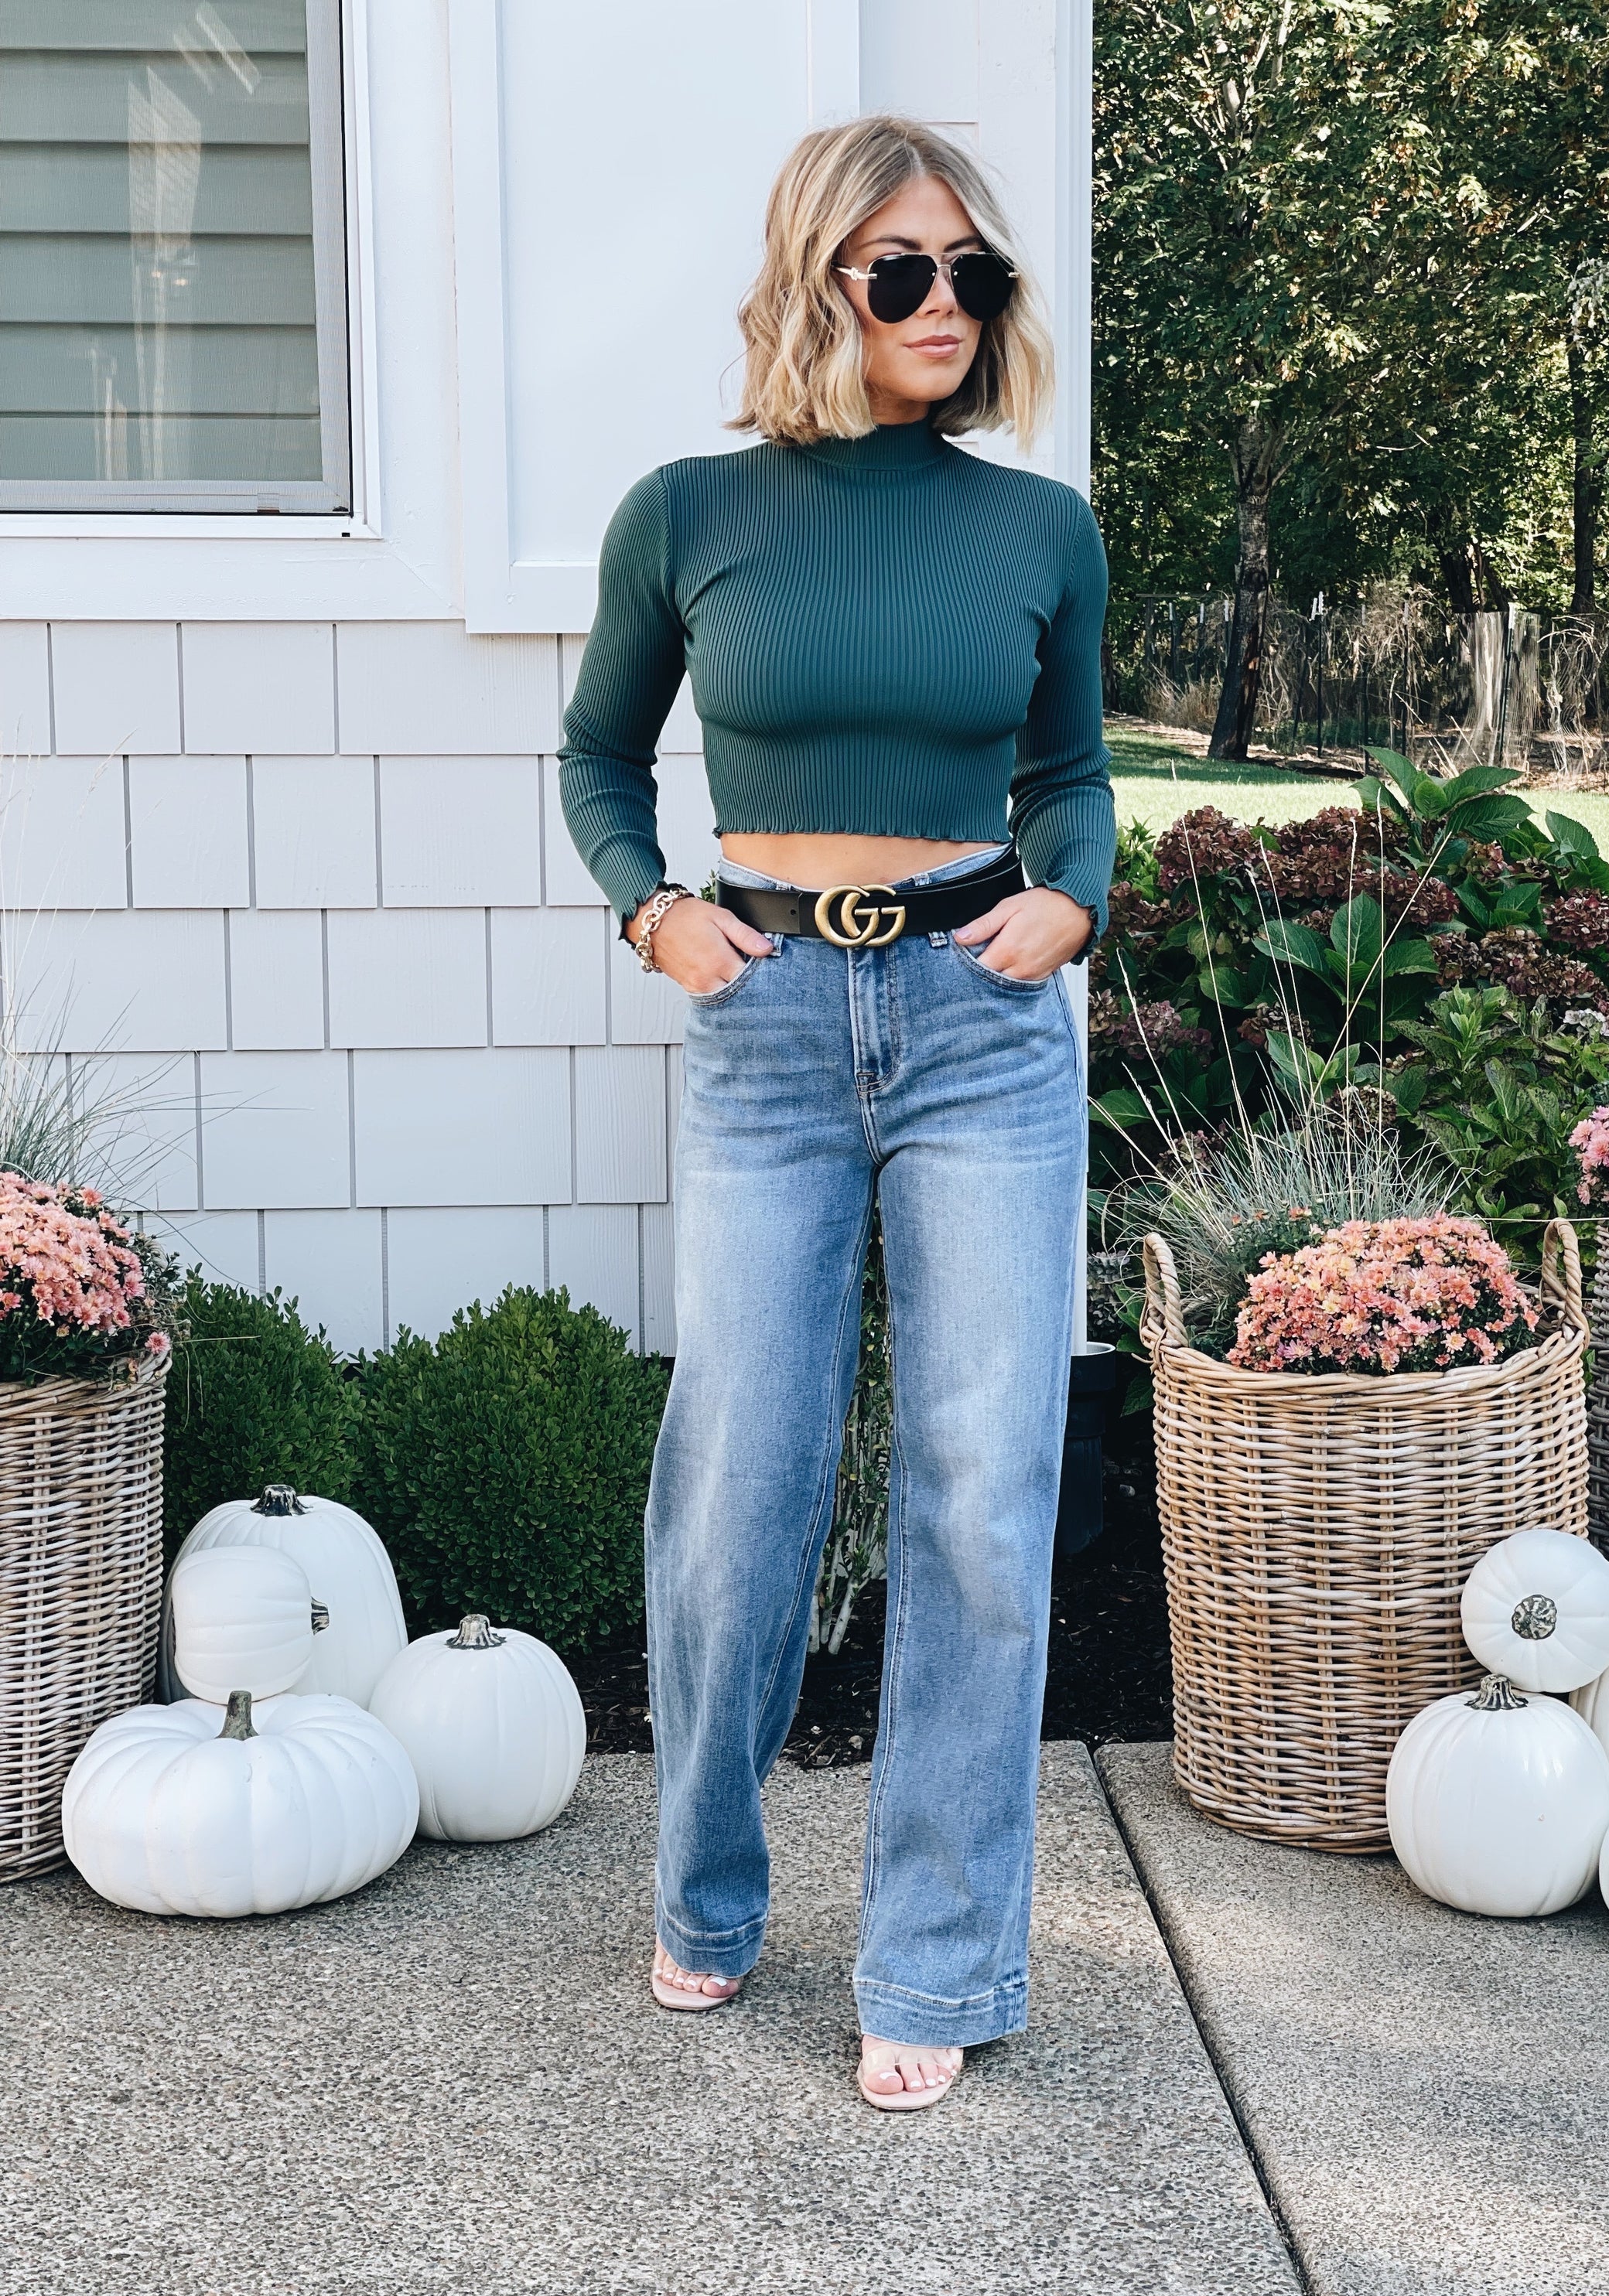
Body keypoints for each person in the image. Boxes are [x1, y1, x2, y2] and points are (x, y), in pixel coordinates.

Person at [559, 114, 1113, 2113]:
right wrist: (654, 914)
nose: (946, 303)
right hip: (771, 1020)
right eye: (904, 270)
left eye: (976, 271)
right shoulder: (687, 513)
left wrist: (1074, 894)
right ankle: (707, 1895)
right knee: (744, 1478)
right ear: (820, 281)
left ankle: (939, 1958)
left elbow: (1070, 771)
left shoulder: (1039, 529)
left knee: (980, 1488)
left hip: (982, 1018)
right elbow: (597, 753)